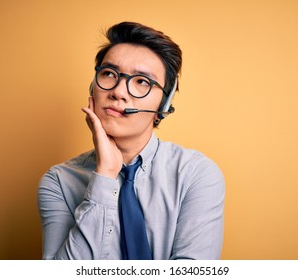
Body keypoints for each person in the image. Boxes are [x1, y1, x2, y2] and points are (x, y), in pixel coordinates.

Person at [37, 21, 225, 260]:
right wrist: (105, 176)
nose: (118, 91)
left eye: (141, 82)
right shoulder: (58, 182)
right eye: (108, 74)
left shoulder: (196, 174)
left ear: (164, 105)